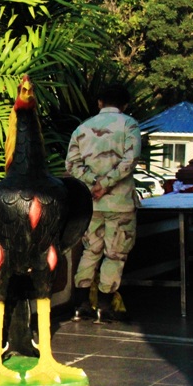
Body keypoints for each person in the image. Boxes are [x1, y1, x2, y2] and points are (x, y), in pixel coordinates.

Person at [66, 83, 141, 323]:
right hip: (120, 204)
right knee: (115, 253)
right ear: (125, 105)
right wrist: (107, 183)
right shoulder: (130, 125)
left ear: (99, 103)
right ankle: (105, 306)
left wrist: (93, 183)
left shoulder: (82, 128)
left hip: (92, 204)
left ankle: (81, 305)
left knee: (91, 250)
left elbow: (71, 164)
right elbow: (131, 159)